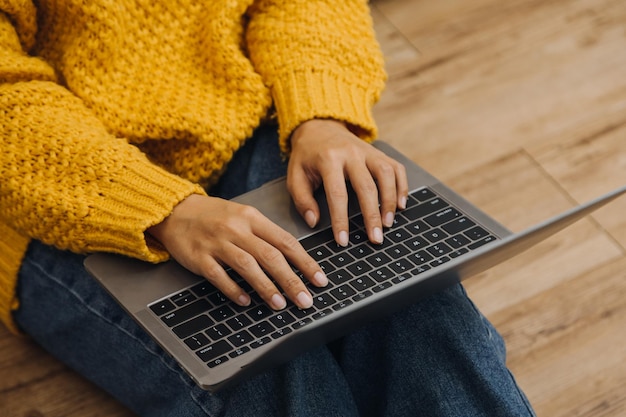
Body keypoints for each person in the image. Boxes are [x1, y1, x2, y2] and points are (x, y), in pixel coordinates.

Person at [0, 0, 536, 416]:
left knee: (419, 308)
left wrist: (320, 114)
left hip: (241, 117)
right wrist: (165, 209)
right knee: (272, 372)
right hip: (53, 190)